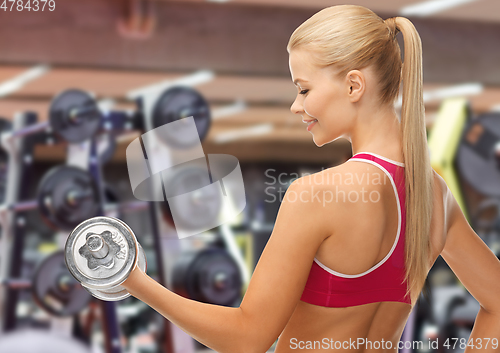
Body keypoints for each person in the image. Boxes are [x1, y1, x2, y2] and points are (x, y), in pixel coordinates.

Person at [122, 5, 500, 352]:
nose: (296, 105)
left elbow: (247, 337)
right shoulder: (436, 194)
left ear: (354, 86)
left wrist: (135, 281)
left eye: (304, 89)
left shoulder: (317, 195)